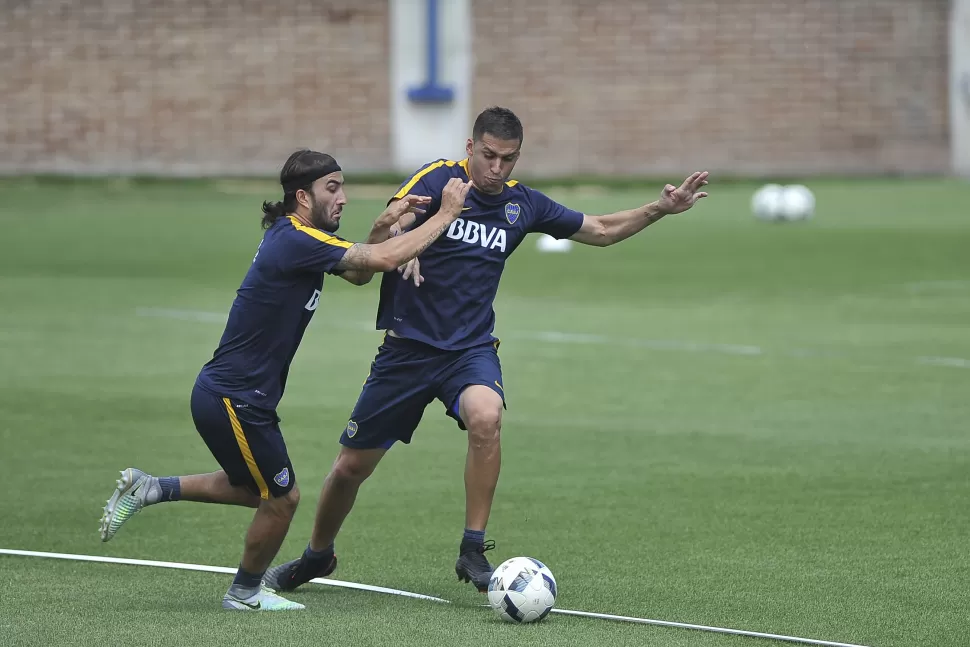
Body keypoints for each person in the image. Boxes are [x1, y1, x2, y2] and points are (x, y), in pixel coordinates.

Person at [263, 107, 709, 594]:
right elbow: (396, 219)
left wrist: (659, 209)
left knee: (486, 416)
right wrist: (403, 245)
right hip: (406, 351)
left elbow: (599, 229)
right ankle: (317, 556)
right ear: (471, 149)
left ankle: (472, 548)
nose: (497, 169)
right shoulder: (440, 180)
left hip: (469, 350)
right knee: (349, 469)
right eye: (489, 156)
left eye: (508, 159)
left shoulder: (524, 206)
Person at [98, 149, 473, 611]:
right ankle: (245, 593)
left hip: (236, 395)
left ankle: (152, 488)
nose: (343, 198)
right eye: (332, 189)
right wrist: (446, 213)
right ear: (302, 196)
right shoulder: (296, 239)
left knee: (253, 487)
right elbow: (380, 260)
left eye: (343, 187)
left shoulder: (301, 235)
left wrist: (381, 226)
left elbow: (358, 273)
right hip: (234, 398)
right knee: (282, 497)